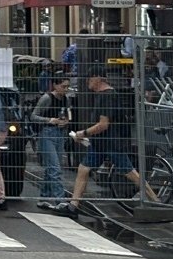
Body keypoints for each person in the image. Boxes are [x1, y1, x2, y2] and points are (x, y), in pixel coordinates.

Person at [50, 72, 156, 218]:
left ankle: (157, 202)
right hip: (100, 144)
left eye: (89, 78)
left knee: (131, 174)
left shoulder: (107, 96)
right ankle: (73, 206)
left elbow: (103, 124)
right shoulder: (104, 96)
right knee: (83, 169)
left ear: (97, 78)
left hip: (111, 144)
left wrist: (83, 133)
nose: (88, 82)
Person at [32, 76, 72, 207]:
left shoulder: (65, 99)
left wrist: (65, 122)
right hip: (47, 132)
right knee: (55, 167)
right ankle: (59, 199)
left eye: (67, 87)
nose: (65, 90)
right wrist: (49, 120)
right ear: (55, 85)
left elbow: (67, 115)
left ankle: (44, 196)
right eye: (63, 86)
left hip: (59, 133)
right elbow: (33, 116)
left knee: (52, 166)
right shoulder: (47, 98)